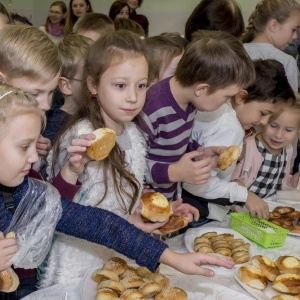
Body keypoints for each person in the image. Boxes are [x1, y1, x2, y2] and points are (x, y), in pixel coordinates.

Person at [0, 83, 235, 298]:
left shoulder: (26, 191)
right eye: (24, 147)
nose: (34, 156)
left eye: (34, 144)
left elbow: (102, 225)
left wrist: (172, 257)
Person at [44, 30, 199, 286]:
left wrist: (157, 213)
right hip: (75, 265)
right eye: (120, 85)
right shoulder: (82, 138)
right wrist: (70, 171)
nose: (133, 97)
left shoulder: (134, 133)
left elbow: (123, 199)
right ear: (93, 85)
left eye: (141, 85)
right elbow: (57, 210)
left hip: (118, 253)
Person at [135, 30, 255, 202]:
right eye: (227, 96)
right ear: (202, 89)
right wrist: (176, 172)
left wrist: (201, 152)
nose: (228, 103)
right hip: (142, 205)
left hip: (168, 200)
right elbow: (129, 165)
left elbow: (172, 144)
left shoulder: (189, 103)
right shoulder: (153, 108)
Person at [182, 59, 295, 225]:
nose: (264, 122)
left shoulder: (220, 111)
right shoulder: (231, 127)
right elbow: (196, 183)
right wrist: (245, 195)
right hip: (199, 209)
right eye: (263, 113)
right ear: (242, 97)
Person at [232, 94, 300, 200]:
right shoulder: (248, 146)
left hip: (268, 206)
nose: (278, 135)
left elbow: (279, 182)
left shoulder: (288, 150)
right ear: (264, 121)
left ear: (297, 132)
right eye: (273, 126)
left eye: (288, 130)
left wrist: (291, 182)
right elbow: (231, 182)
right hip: (240, 208)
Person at [43, 34, 93, 144]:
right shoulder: (55, 126)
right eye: (88, 81)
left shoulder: (95, 112)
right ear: (65, 86)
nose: (97, 86)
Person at [242, 0, 300, 92]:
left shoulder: (235, 51)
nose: (295, 36)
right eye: (294, 30)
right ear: (274, 25)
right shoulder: (286, 61)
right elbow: (290, 104)